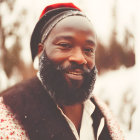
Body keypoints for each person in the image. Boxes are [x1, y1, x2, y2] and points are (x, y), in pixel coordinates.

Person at [0, 3, 124, 140]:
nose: (79, 58)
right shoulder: (7, 112)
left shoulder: (103, 113)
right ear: (41, 52)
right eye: (65, 45)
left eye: (88, 50)